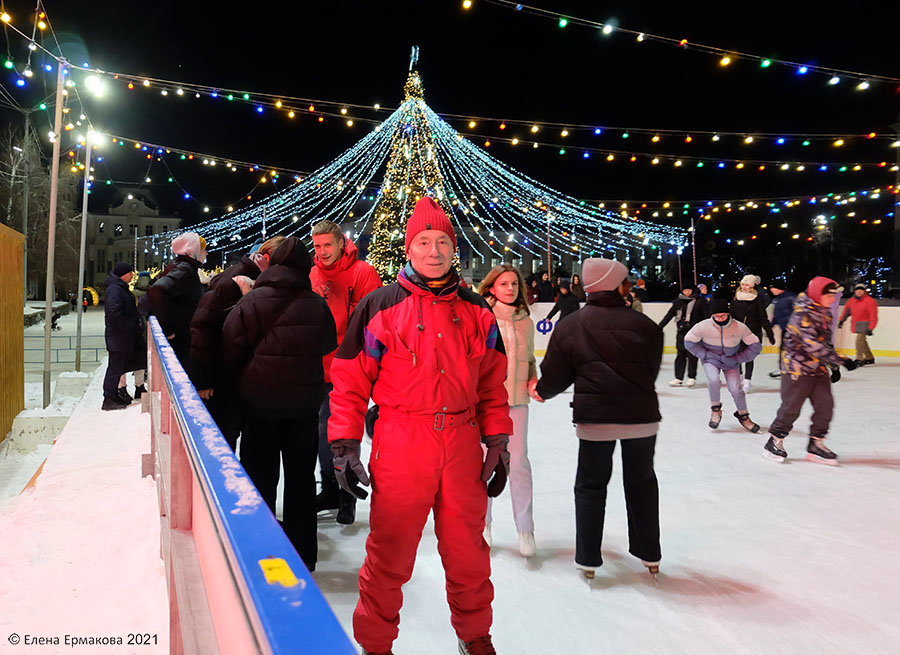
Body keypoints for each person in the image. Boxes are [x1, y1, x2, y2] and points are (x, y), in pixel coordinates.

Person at [327, 197, 512, 655]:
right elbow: (349, 382)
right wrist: (344, 443)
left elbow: (492, 384)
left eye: (443, 242)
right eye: (424, 242)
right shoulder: (379, 306)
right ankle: (375, 644)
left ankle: (475, 636)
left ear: (454, 249)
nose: (434, 251)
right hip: (401, 440)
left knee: (469, 552)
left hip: (463, 443)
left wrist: (499, 439)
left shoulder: (477, 311)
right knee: (389, 552)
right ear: (409, 250)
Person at [534, 258, 663, 580]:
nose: (629, 286)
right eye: (626, 281)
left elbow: (555, 372)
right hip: (641, 418)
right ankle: (650, 554)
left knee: (591, 486)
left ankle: (589, 558)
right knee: (642, 483)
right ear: (615, 285)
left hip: (596, 420)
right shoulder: (645, 325)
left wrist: (543, 391)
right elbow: (651, 370)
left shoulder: (571, 325)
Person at [222, 237, 337, 571]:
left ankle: (261, 553)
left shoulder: (253, 301)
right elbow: (328, 343)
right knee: (301, 481)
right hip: (303, 409)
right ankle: (303, 556)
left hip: (259, 408)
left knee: (260, 480)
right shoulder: (316, 305)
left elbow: (231, 345)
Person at [308, 219, 382, 525]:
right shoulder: (311, 273)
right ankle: (329, 489)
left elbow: (373, 322)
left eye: (328, 245)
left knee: (342, 434)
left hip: (350, 368)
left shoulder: (363, 273)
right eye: (317, 246)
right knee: (321, 434)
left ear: (342, 243)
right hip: (316, 368)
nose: (322, 252)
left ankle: (346, 495)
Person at [190, 236, 285, 450]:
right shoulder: (233, 280)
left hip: (238, 375)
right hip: (222, 376)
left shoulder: (257, 277)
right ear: (267, 258)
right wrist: (203, 380)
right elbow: (203, 326)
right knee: (223, 440)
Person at [477, 264, 538, 558]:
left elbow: (530, 360)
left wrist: (534, 378)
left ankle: (525, 530)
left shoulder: (525, 321)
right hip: (486, 403)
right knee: (484, 465)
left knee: (519, 465)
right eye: (504, 284)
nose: (510, 289)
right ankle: (482, 526)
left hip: (517, 402)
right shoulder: (481, 318)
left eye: (514, 284)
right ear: (491, 288)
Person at [764, 277, 857, 465]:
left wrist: (834, 365)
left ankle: (816, 444)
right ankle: (774, 441)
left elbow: (826, 343)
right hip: (797, 368)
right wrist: (842, 360)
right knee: (791, 408)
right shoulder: (802, 314)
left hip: (818, 368)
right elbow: (811, 345)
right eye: (830, 295)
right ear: (818, 294)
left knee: (825, 406)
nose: (833, 298)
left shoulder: (825, 313)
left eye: (835, 295)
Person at [684, 299, 762, 432]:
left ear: (728, 313)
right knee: (713, 380)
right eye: (716, 316)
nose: (720, 318)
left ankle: (743, 416)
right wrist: (706, 355)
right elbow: (689, 341)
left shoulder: (739, 327)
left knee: (736, 389)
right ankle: (715, 410)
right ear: (712, 315)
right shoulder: (703, 326)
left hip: (731, 361)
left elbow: (755, 346)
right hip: (711, 360)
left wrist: (739, 358)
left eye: (723, 315)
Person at [145, 232, 207, 367]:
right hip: (180, 336)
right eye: (204, 249)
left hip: (181, 333)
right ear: (194, 250)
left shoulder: (178, 265)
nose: (206, 253)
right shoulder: (185, 270)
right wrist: (167, 327)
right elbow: (157, 290)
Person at [101, 262, 141, 411]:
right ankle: (108, 398)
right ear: (123, 274)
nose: (132, 275)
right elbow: (114, 312)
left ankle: (113, 395)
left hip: (121, 336)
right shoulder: (115, 290)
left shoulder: (118, 288)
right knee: (114, 368)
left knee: (118, 368)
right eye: (130, 273)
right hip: (118, 336)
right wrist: (129, 325)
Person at [731, 274, 775, 392]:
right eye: (743, 284)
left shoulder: (757, 299)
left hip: (752, 332)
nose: (744, 287)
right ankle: (739, 376)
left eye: (747, 285)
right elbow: (731, 317)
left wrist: (770, 333)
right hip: (738, 333)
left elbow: (763, 317)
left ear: (752, 286)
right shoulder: (736, 298)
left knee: (749, 358)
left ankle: (747, 381)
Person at [658, 284, 707, 387]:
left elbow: (706, 316)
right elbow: (670, 314)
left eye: (689, 290)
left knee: (692, 355)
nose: (687, 292)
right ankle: (678, 378)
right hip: (681, 332)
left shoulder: (700, 301)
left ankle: (691, 377)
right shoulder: (678, 301)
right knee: (680, 355)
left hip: (695, 333)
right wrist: (659, 326)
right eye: (685, 290)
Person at [838, 283, 878, 366]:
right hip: (856, 324)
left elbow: (873, 315)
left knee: (859, 341)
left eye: (861, 290)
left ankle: (859, 358)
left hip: (865, 324)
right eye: (857, 290)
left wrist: (871, 328)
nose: (859, 292)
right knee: (863, 342)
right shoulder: (852, 301)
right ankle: (869, 357)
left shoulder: (869, 301)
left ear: (864, 292)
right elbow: (846, 311)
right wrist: (842, 320)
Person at [767, 279, 796, 378]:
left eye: (773, 287)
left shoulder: (790, 298)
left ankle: (790, 369)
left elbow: (799, 313)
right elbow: (777, 314)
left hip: (793, 329)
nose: (771, 290)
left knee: (789, 349)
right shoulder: (777, 299)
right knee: (784, 349)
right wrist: (771, 325)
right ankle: (784, 369)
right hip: (785, 328)